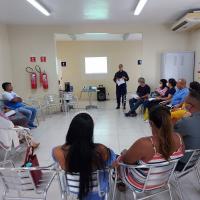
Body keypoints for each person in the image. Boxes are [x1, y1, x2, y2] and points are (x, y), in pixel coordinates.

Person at [117, 106, 184, 191]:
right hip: (163, 180)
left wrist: (124, 153)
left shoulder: (144, 143)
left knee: (118, 158)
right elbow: (178, 155)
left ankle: (119, 180)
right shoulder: (179, 137)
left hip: (141, 183)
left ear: (151, 123)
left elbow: (126, 161)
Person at [52, 112, 116, 200]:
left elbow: (58, 162)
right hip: (98, 192)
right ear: (90, 132)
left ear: (71, 130)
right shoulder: (101, 150)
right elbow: (112, 164)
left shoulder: (57, 151)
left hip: (74, 189)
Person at [174, 82, 200, 171]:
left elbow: (166, 138)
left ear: (189, 106)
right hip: (194, 161)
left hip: (180, 163)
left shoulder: (186, 122)